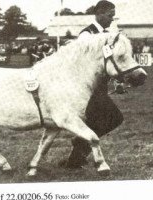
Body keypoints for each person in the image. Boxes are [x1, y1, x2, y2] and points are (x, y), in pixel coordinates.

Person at [60, 0, 124, 169]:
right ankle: (78, 146)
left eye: (113, 16)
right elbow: (80, 62)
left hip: (99, 86)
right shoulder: (87, 35)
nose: (112, 19)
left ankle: (75, 156)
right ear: (99, 14)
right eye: (110, 15)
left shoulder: (108, 34)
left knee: (98, 122)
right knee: (114, 118)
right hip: (87, 88)